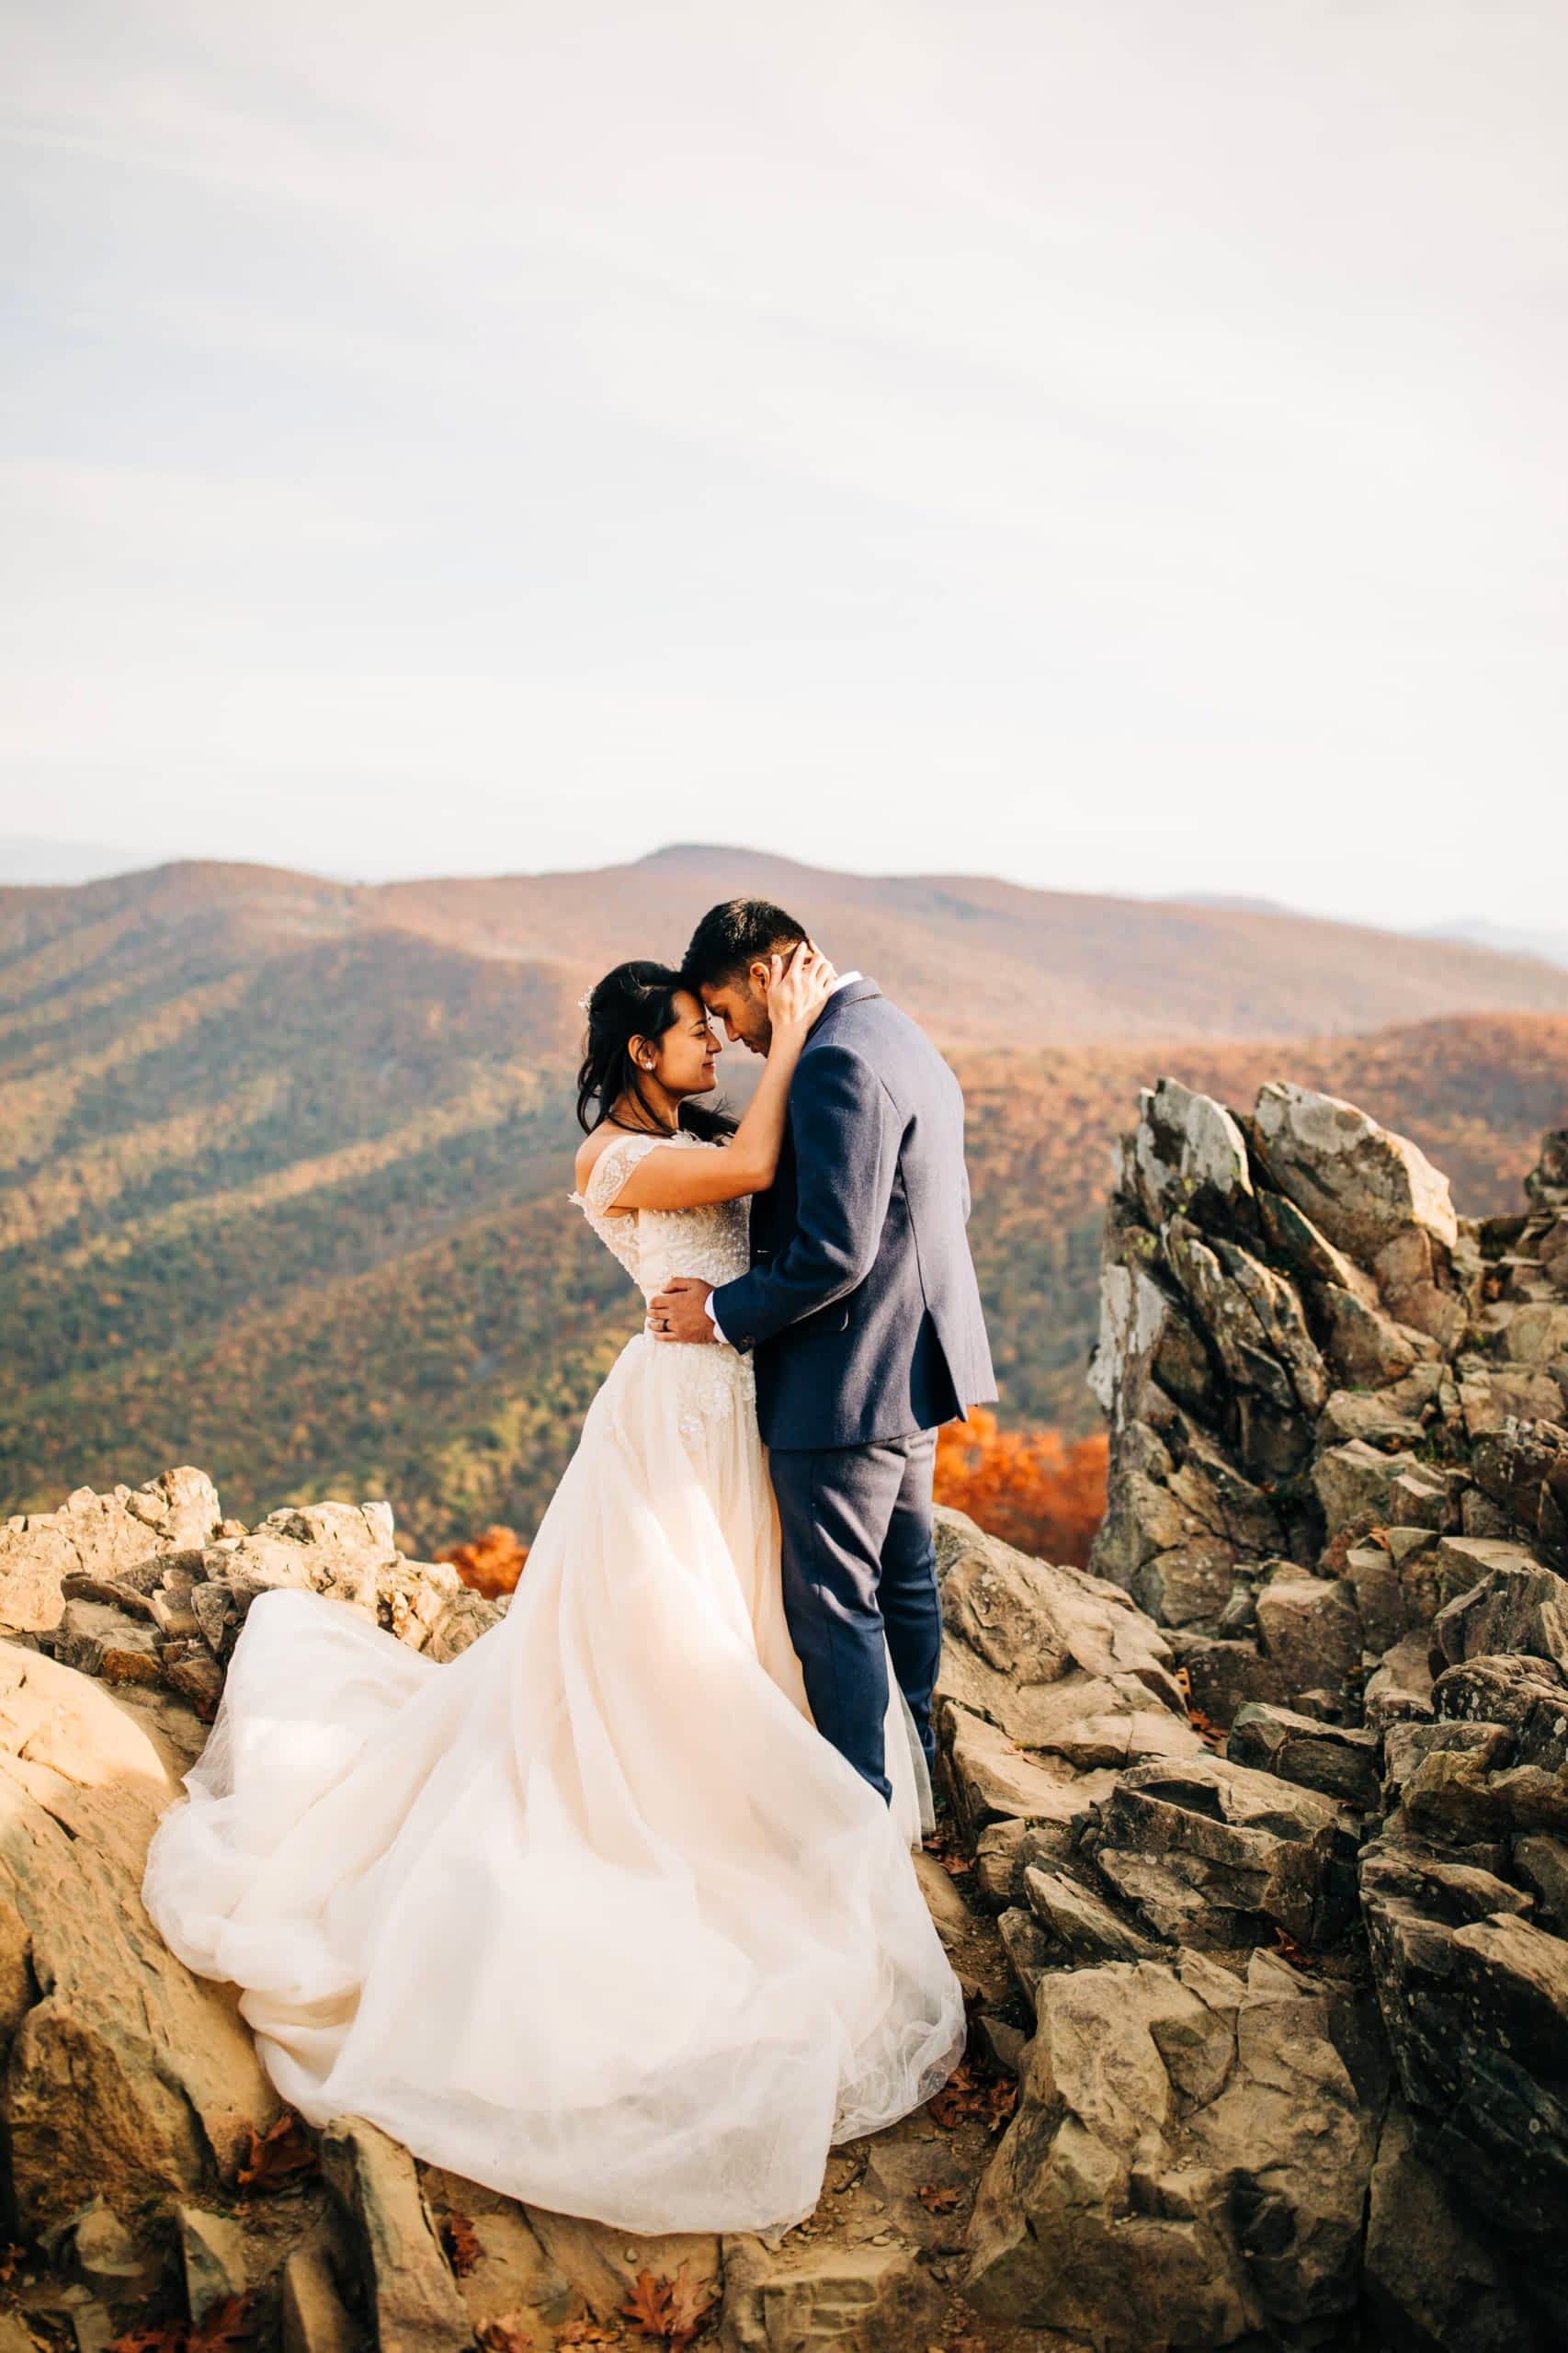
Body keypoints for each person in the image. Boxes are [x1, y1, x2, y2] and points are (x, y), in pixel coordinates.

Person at [139, 935, 970, 2242]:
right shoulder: (615, 1157)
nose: (718, 1042)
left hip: (736, 1403)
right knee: (658, 1637)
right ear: (641, 1051)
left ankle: (776, 1786)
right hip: (672, 1411)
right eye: (697, 1031)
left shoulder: (693, 1116)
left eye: (723, 1021)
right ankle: (699, 1804)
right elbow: (755, 1169)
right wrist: (803, 1025)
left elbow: (793, 1197)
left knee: (742, 1618)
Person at [650, 899, 998, 1809]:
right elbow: (943, 1198)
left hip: (844, 1378)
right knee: (904, 1577)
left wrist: (721, 1312)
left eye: (725, 1009)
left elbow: (834, 1251)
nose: (729, 1033)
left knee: (833, 1600)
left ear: (762, 976)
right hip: (911, 1360)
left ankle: (862, 1820)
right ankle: (915, 1774)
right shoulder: (894, 1030)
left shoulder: (833, 1059)